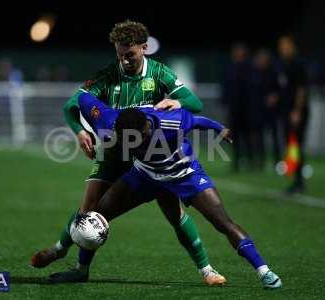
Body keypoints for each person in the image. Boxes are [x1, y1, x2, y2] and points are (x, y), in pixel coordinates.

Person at [32, 20, 224, 286]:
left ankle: (207, 270)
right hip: (114, 152)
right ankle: (71, 260)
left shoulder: (159, 73)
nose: (124, 60)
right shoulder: (108, 75)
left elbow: (195, 103)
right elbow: (70, 106)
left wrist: (177, 101)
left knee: (174, 213)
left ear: (144, 48)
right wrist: (80, 132)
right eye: (119, 54)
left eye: (129, 54)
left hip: (150, 154)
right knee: (89, 210)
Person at [71, 91, 282, 289]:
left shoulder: (172, 121)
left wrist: (220, 128)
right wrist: (82, 129)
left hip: (184, 175)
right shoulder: (111, 122)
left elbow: (198, 121)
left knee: (223, 222)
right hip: (145, 175)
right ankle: (81, 270)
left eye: (136, 139)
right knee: (97, 214)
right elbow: (82, 98)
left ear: (146, 128)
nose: (133, 144)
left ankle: (265, 272)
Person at [276, 36, 309, 193]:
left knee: (296, 145)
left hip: (296, 112)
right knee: (291, 145)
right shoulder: (284, 65)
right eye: (281, 46)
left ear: (291, 46)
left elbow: (301, 89)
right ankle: (295, 179)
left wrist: (297, 110)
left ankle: (298, 182)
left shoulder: (298, 64)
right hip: (286, 112)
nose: (283, 49)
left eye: (285, 46)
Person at [222, 43, 253, 171]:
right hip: (234, 108)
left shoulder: (248, 68)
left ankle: (251, 160)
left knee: (247, 136)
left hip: (245, 108)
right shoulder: (230, 68)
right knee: (234, 136)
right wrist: (224, 100)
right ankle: (236, 161)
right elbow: (226, 86)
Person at [249, 49, 281, 168]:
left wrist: (274, 96)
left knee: (274, 136)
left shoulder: (273, 73)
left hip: (271, 111)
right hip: (258, 111)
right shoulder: (254, 73)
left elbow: (279, 90)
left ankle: (277, 161)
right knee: (259, 137)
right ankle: (260, 161)